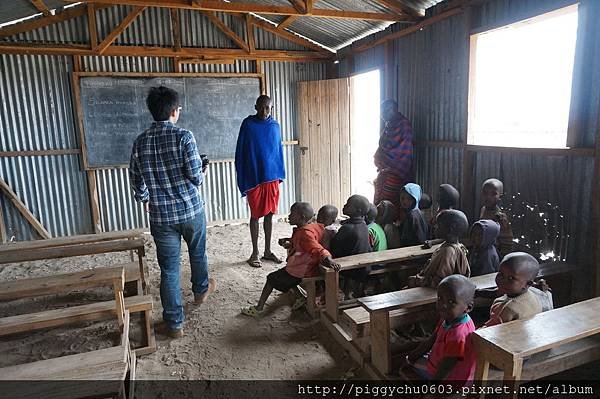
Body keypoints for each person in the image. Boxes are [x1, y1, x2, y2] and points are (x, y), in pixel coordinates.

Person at [129, 86, 215, 338]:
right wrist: (203, 170)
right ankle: (200, 292)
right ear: (174, 112)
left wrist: (144, 197)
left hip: (161, 217)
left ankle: (174, 324)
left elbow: (136, 177)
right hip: (190, 210)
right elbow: (195, 177)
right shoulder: (184, 137)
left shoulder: (140, 141)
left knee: (169, 269)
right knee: (197, 253)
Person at [241, 202, 339, 317]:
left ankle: (259, 309)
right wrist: (290, 242)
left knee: (271, 279)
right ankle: (301, 298)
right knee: (286, 278)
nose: (289, 216)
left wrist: (329, 259)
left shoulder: (305, 234)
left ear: (302, 217)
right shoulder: (310, 228)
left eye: (292, 213)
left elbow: (318, 249)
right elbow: (302, 244)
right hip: (301, 267)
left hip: (300, 270)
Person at [235, 95, 286, 268]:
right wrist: (243, 173)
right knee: (256, 215)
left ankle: (267, 251)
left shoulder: (275, 126)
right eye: (262, 107)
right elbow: (241, 151)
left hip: (271, 177)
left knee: (270, 214)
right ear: (255, 106)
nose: (265, 111)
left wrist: (279, 173)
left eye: (268, 108)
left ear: (271, 108)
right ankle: (255, 252)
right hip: (254, 177)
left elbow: (277, 151)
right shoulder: (248, 125)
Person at [399, 275, 477, 385]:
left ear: (468, 307)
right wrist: (411, 356)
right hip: (444, 364)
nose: (443, 305)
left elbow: (447, 366)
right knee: (411, 357)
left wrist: (434, 385)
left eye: (451, 302)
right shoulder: (449, 317)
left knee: (406, 368)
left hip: (452, 378)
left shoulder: (458, 334)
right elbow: (431, 340)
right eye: (440, 298)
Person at [477, 252, 544, 327]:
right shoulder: (532, 295)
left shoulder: (510, 309)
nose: (502, 280)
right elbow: (496, 292)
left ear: (527, 284)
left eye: (511, 278)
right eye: (501, 274)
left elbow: (491, 330)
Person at [408, 210, 470, 288]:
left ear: (450, 229)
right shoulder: (456, 245)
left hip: (436, 293)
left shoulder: (448, 252)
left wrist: (418, 280)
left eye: (438, 225)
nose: (435, 227)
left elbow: (440, 282)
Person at [374, 99, 414, 220]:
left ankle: (390, 226)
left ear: (393, 110)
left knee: (389, 200)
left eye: (385, 111)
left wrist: (386, 159)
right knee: (379, 198)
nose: (382, 115)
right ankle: (380, 223)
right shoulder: (389, 125)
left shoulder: (403, 125)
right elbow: (383, 146)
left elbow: (400, 150)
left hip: (397, 170)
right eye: (381, 112)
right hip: (385, 169)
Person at [331, 195, 372, 299]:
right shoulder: (364, 225)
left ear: (357, 210)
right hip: (364, 267)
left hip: (351, 270)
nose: (344, 206)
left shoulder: (347, 228)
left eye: (348, 205)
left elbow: (334, 247)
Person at [480, 178, 513, 258]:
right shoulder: (483, 209)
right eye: (485, 193)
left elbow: (507, 240)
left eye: (493, 194)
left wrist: (503, 257)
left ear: (500, 196)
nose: (488, 197)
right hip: (482, 249)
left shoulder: (500, 217)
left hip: (494, 254)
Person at [398, 183, 428, 247]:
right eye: (402, 198)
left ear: (415, 199)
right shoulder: (419, 213)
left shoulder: (411, 216)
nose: (405, 201)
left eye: (409, 199)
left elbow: (407, 240)